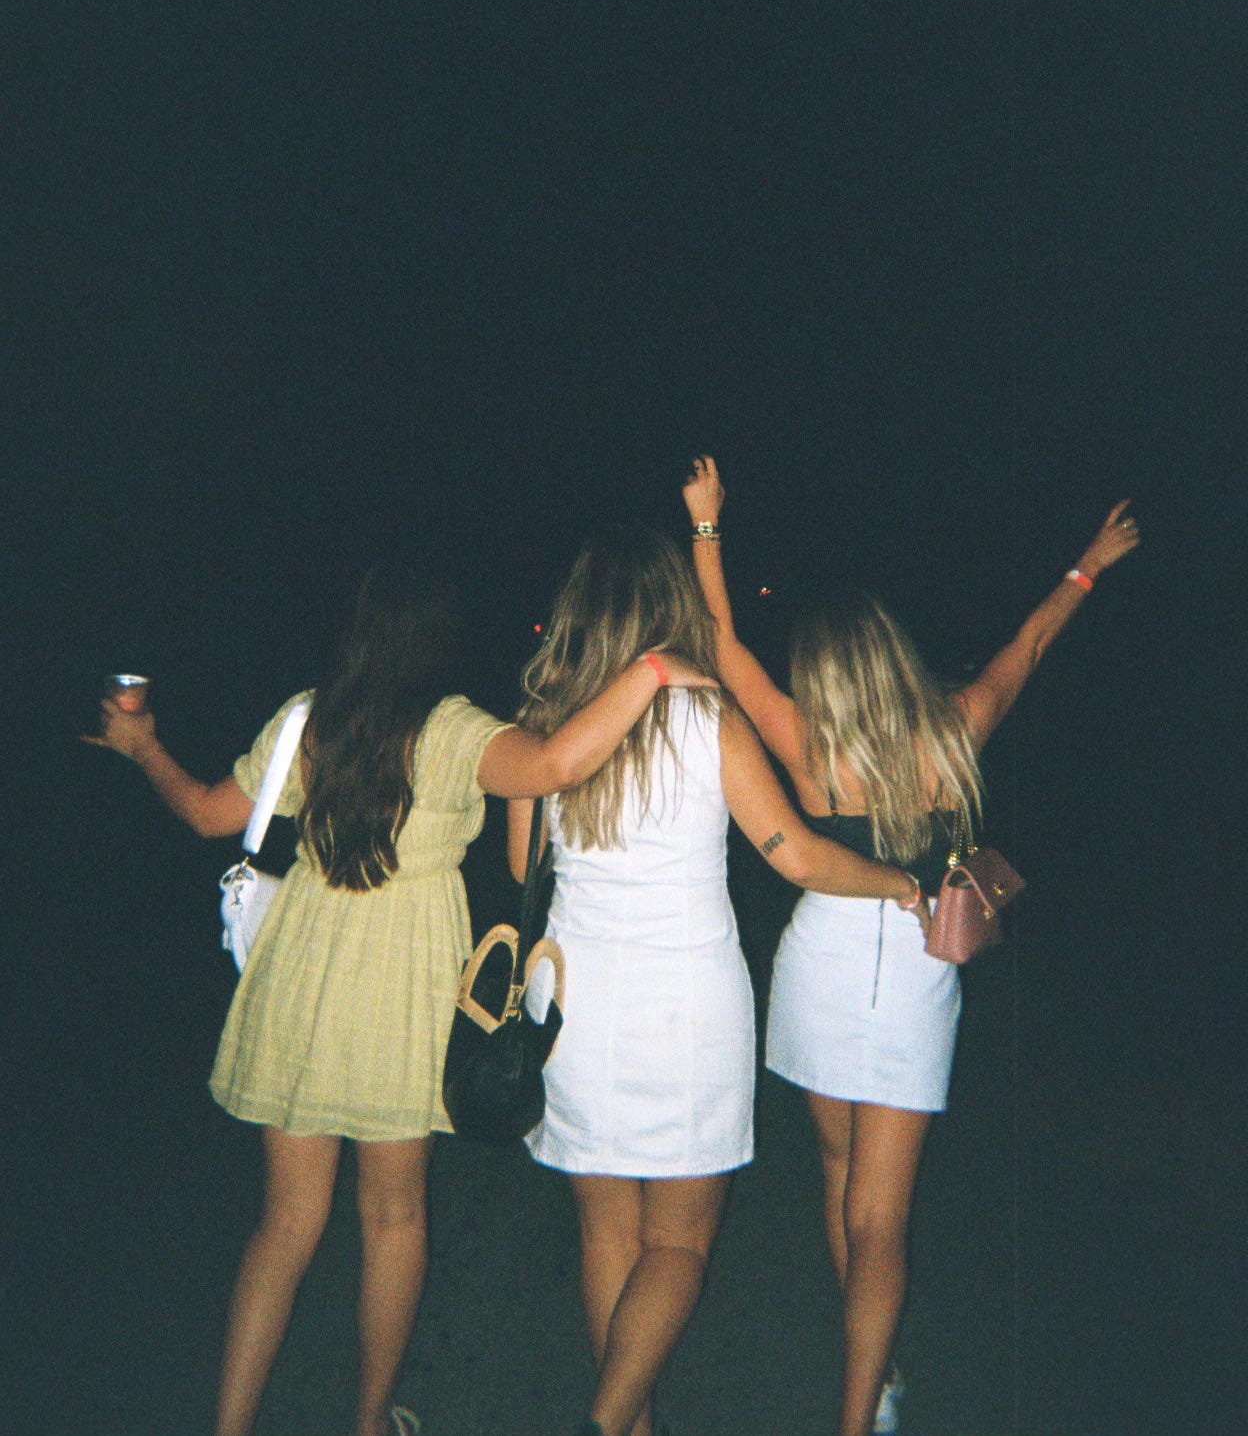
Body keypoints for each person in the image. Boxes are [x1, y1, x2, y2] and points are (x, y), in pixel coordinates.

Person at [85, 561, 716, 1436]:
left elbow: (204, 812)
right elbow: (554, 764)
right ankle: (369, 1422)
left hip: (303, 970)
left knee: (284, 1224)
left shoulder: (309, 718)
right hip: (402, 980)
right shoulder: (454, 730)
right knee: (392, 1219)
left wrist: (143, 747)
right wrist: (649, 670)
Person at [681, 456, 1139, 1436]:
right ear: (891, 657)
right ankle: (864, 1408)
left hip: (818, 963)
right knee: (878, 1216)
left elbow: (720, 642)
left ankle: (874, 1376)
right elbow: (1029, 643)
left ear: (824, 671)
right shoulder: (954, 732)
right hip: (915, 980)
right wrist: (1089, 564)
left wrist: (707, 525)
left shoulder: (807, 744)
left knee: (841, 1184)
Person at [505, 527, 929, 1436]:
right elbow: (795, 855)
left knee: (606, 1233)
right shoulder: (709, 720)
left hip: (573, 1005)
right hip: (685, 1007)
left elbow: (520, 869)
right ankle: (605, 1423)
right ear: (668, 615)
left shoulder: (542, 730)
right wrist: (901, 883)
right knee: (678, 1243)